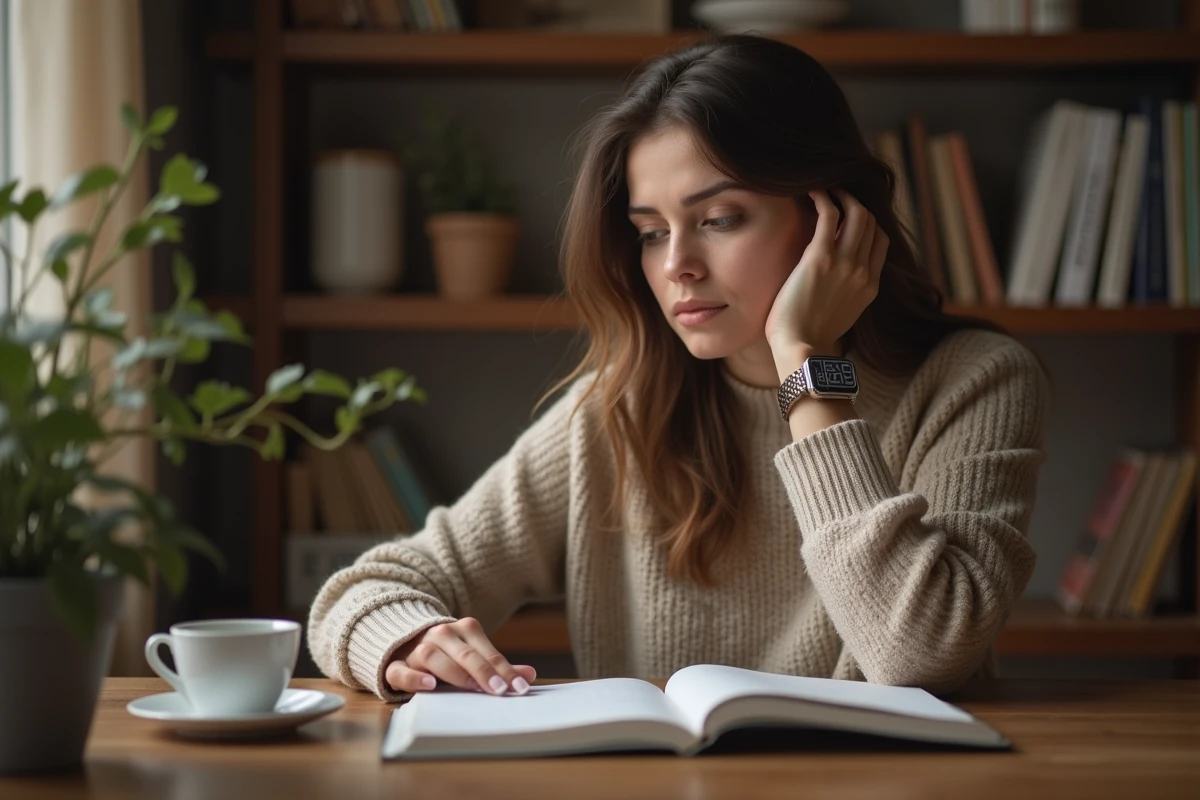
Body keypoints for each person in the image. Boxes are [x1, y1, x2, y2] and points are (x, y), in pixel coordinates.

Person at [308, 34, 1049, 702]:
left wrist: (807, 361)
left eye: (719, 220)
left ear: (838, 217)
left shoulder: (974, 381)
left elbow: (920, 654)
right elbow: (362, 591)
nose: (676, 266)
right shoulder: (618, 410)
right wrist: (411, 642)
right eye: (650, 232)